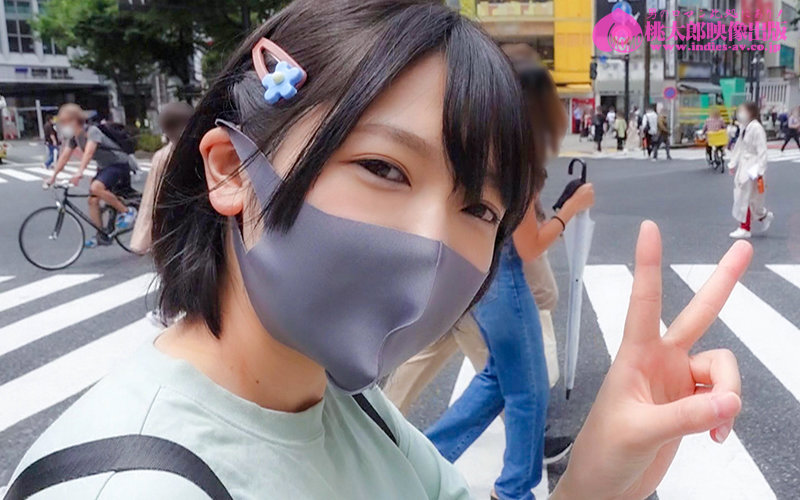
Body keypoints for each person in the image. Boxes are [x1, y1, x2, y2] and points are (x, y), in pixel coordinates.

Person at [6, 2, 751, 500]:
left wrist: (595, 481)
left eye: (478, 208)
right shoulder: (135, 486)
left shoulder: (347, 403)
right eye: (384, 169)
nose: (432, 241)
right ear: (231, 171)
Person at [384, 59, 586, 477]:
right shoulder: (512, 153)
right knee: (520, 383)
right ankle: (514, 475)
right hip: (495, 276)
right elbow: (527, 244)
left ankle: (416, 455)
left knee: (492, 372)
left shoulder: (479, 138)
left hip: (469, 269)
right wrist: (570, 211)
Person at [44, 104, 137, 248]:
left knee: (96, 188)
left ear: (74, 120)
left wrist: (80, 172)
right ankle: (101, 236)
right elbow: (64, 157)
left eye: (64, 122)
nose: (62, 126)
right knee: (92, 201)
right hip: (105, 167)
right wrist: (53, 176)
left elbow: (89, 152)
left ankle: (128, 212)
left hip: (119, 164)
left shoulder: (92, 131)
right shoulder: (74, 138)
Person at [130, 101, 194, 255]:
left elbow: (152, 197)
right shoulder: (204, 146)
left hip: (175, 220)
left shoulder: (163, 156)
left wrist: (142, 239)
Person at [728, 102, 774, 239]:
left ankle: (745, 227)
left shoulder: (756, 128)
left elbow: (762, 150)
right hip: (745, 164)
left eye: (743, 111)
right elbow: (739, 146)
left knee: (745, 196)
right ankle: (762, 216)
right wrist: (733, 162)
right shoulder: (745, 127)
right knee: (746, 196)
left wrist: (760, 170)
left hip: (753, 166)